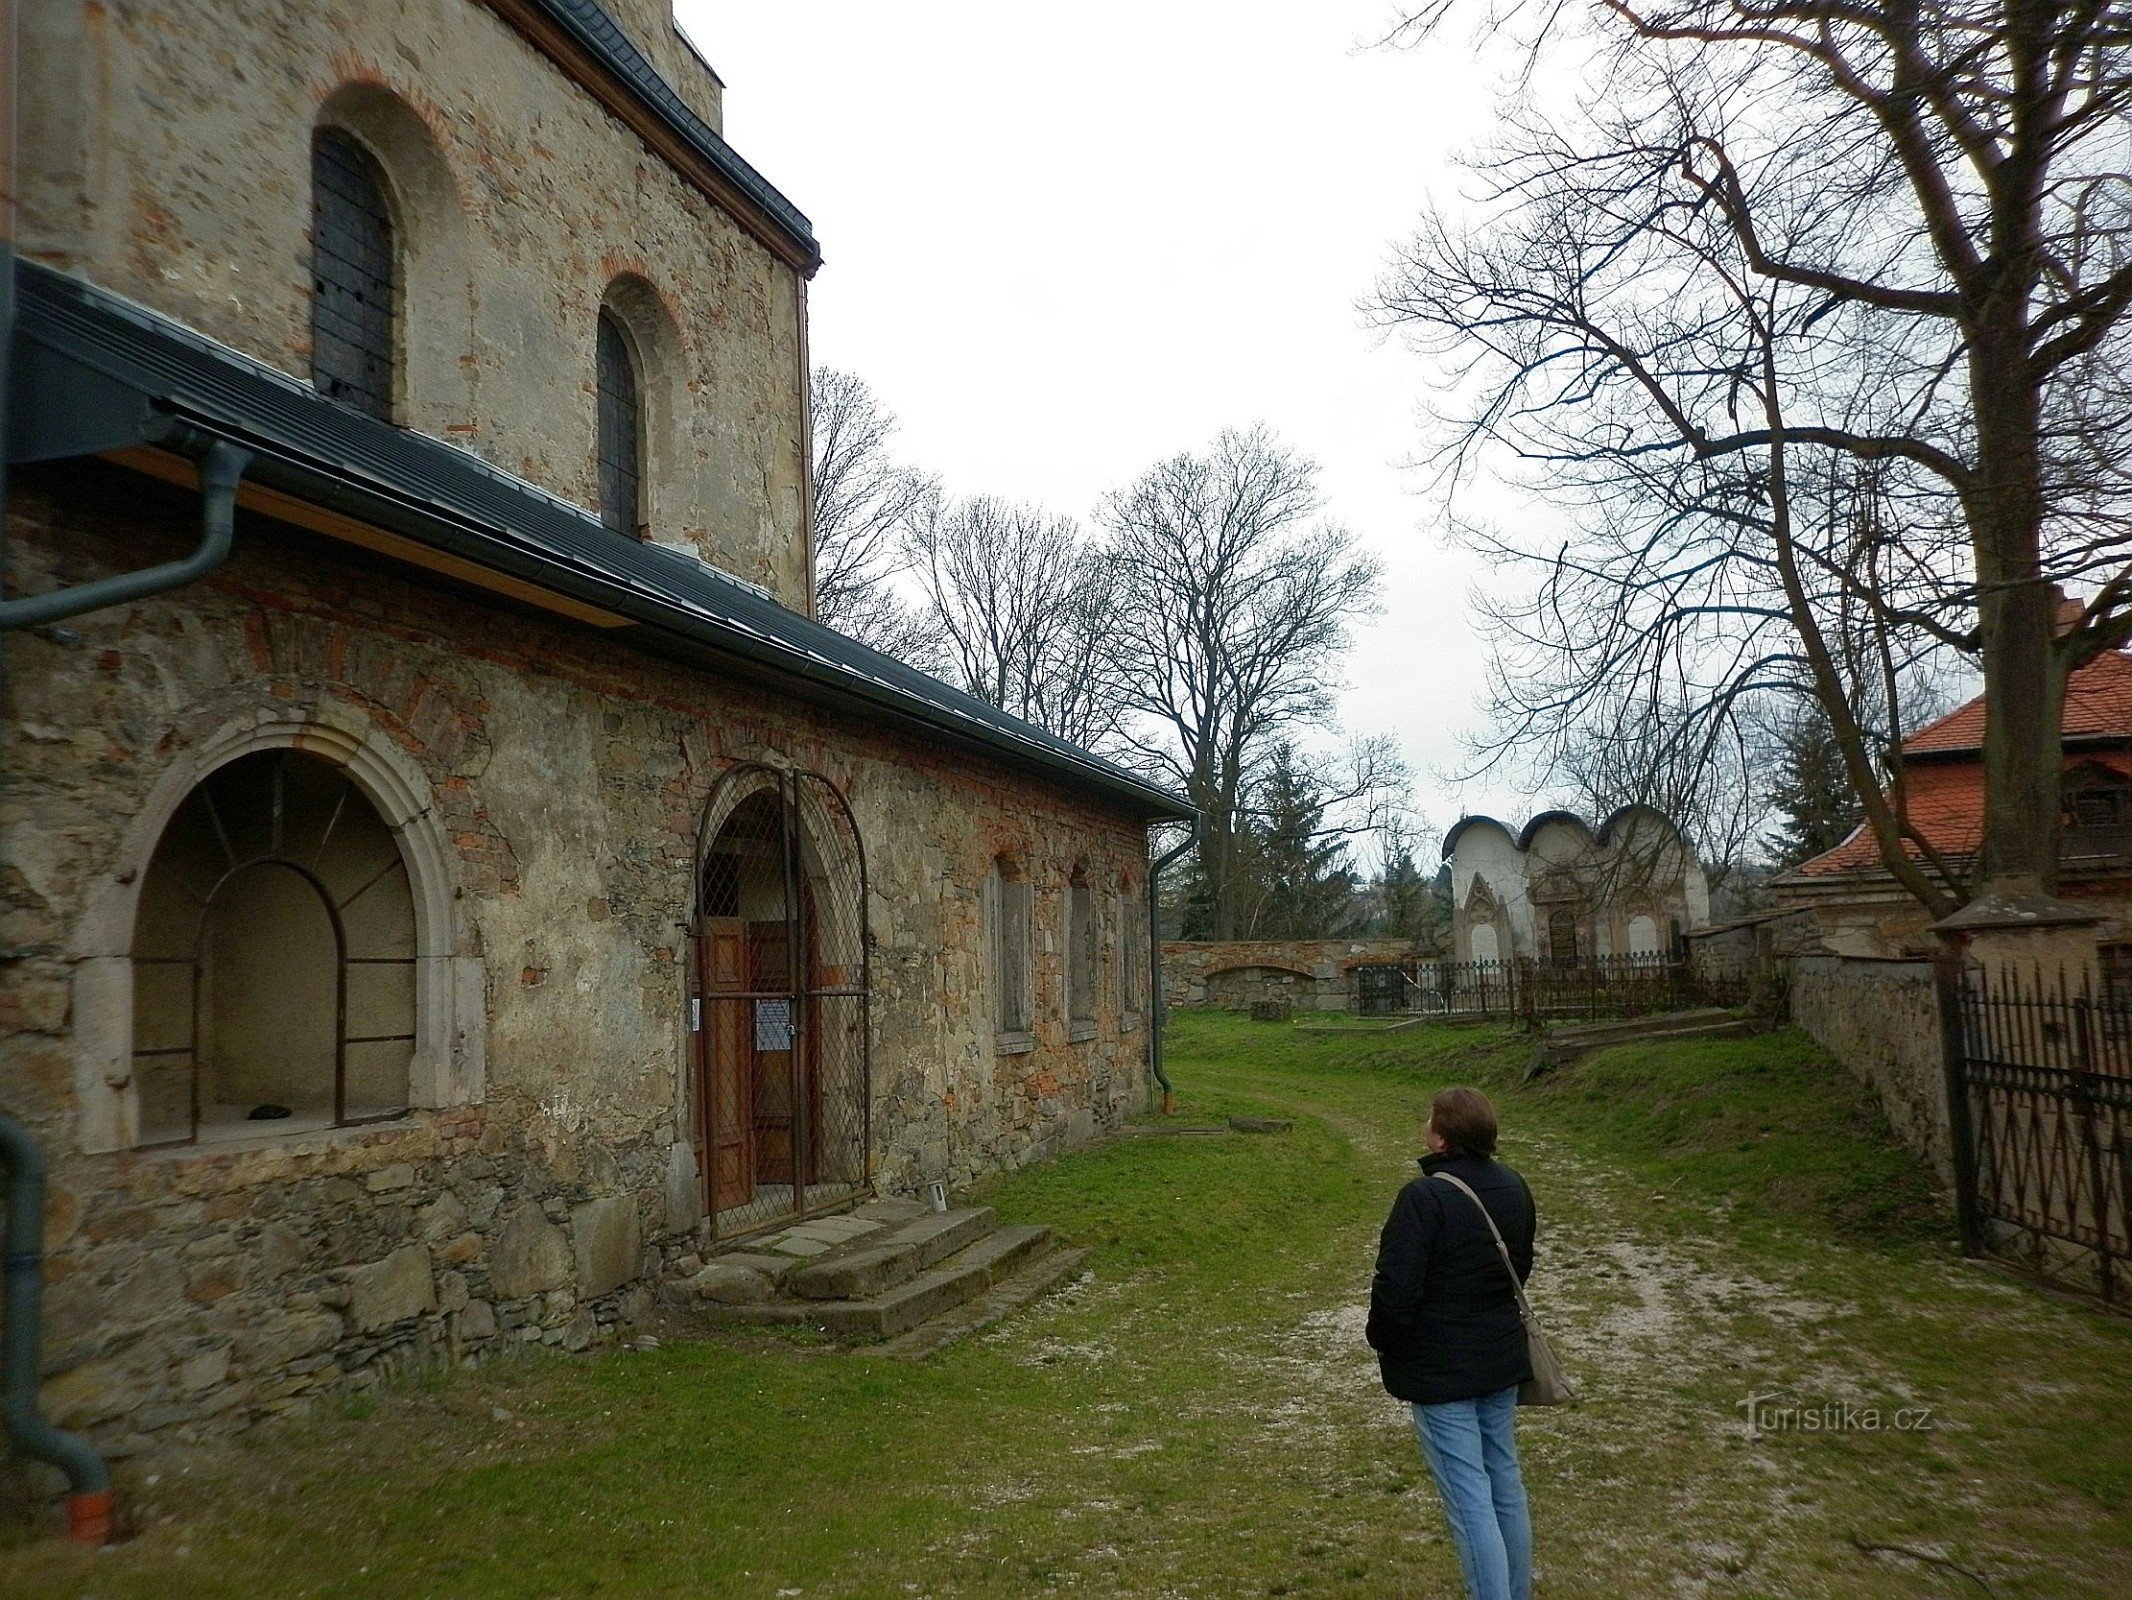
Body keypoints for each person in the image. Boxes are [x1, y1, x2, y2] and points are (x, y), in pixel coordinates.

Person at [1367, 1085, 1536, 1600]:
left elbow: (1397, 1287)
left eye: (1429, 1120)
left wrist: (1382, 1338)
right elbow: (1520, 1268)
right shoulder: (1514, 1186)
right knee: (1503, 1482)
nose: (1425, 1126)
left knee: (1470, 1499)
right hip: (1499, 1354)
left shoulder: (1424, 1197)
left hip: (1443, 1370)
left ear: (1442, 1138)